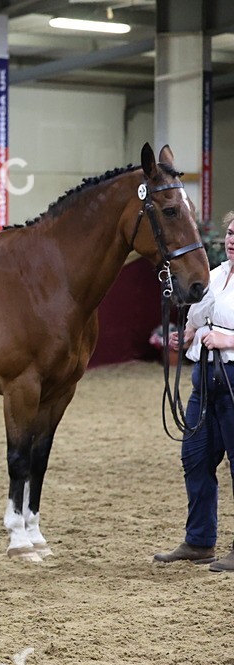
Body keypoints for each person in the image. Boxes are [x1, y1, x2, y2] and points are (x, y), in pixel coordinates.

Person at [155, 210, 234, 572]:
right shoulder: (214, 276)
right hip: (205, 380)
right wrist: (186, 334)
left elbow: (220, 331)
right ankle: (200, 541)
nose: (232, 239)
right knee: (195, 459)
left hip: (232, 376)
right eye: (230, 233)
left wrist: (227, 339)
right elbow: (198, 319)